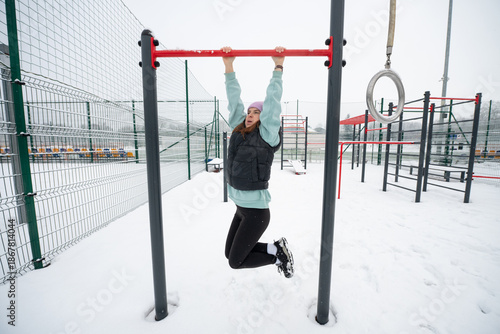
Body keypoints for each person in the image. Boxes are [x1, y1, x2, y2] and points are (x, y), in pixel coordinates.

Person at [222, 46, 294, 278]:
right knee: (229, 255)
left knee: (236, 261)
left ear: (264, 119)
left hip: (255, 212)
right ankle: (277, 249)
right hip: (241, 209)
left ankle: (278, 255)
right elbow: (234, 102)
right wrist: (229, 66)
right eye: (250, 111)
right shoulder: (238, 130)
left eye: (256, 112)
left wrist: (278, 67)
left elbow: (272, 103)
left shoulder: (267, 134)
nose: (251, 113)